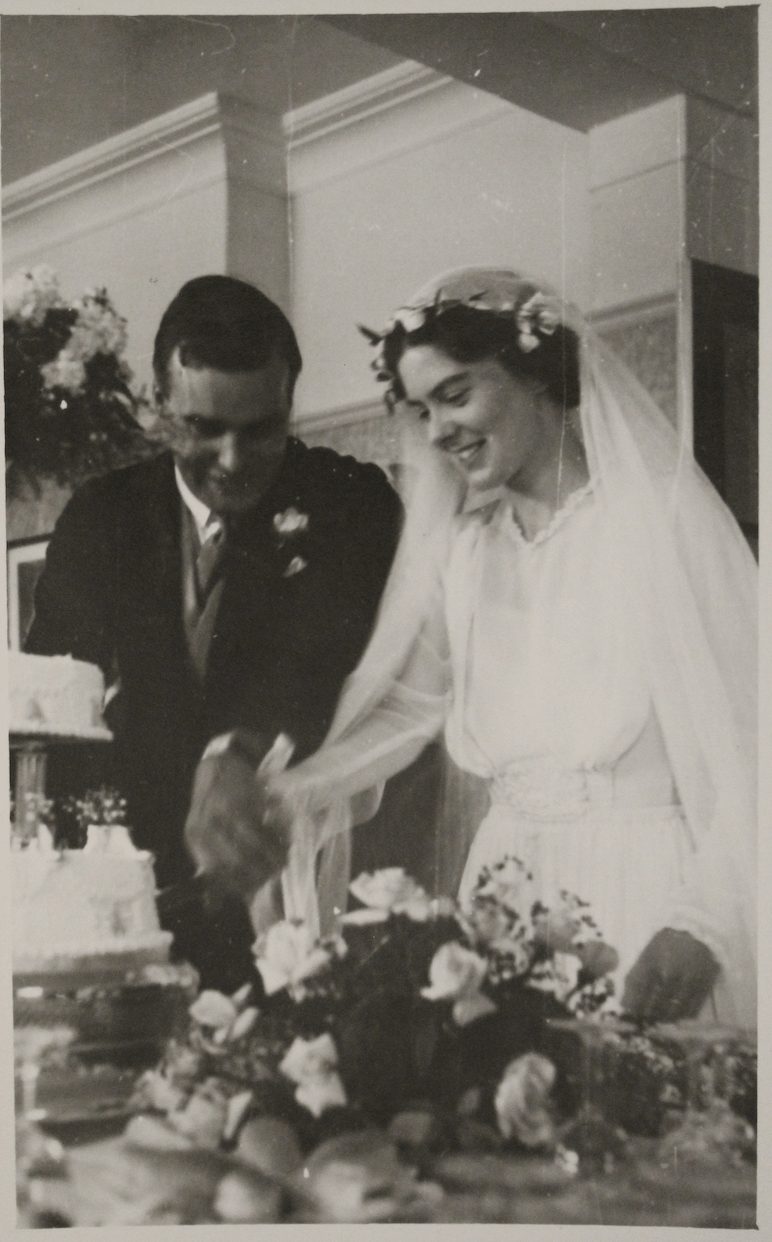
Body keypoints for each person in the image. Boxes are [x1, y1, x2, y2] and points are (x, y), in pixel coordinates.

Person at [188, 267, 757, 1027]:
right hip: (505, 897)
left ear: (537, 376)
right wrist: (295, 792)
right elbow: (408, 711)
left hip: (648, 894)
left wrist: (705, 921)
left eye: (456, 395)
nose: (437, 432)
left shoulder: (662, 519)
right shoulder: (464, 552)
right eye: (422, 409)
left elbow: (759, 742)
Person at [26, 274, 403, 989]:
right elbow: (62, 694)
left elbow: (318, 647)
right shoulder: (101, 515)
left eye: (261, 429)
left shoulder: (348, 502)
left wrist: (240, 747)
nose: (233, 459)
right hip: (122, 914)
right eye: (205, 429)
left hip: (286, 905)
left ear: (290, 403)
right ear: (162, 407)